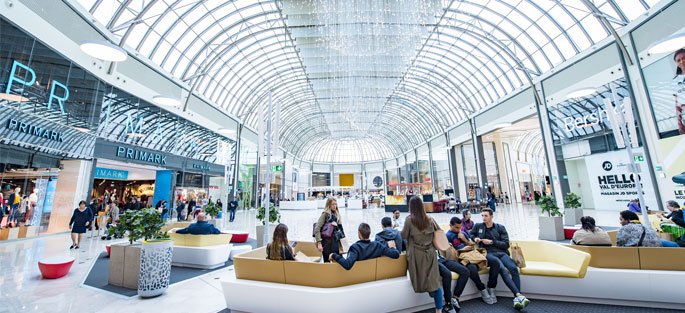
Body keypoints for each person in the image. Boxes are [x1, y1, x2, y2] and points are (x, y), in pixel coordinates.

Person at [470, 208, 530, 309]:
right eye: (482, 216)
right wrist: (475, 238)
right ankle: (518, 295)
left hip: (502, 253)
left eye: (486, 216)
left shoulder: (500, 227)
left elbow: (506, 244)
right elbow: (471, 234)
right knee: (502, 269)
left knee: (513, 268)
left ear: (491, 216)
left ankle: (517, 297)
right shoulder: (478, 226)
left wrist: (492, 242)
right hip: (488, 254)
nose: (483, 218)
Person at [401, 196, 444, 313]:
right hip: (430, 253)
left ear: (411, 207)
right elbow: (439, 232)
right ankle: (439, 310)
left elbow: (403, 235)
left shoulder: (410, 220)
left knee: (420, 277)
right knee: (434, 282)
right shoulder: (430, 219)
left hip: (417, 254)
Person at [330, 223, 399, 270]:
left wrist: (334, 255)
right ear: (369, 233)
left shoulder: (355, 248)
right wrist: (392, 247)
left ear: (359, 233)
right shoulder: (378, 245)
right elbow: (396, 254)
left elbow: (347, 265)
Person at [314, 197, 344, 262]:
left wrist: (336, 225)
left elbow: (341, 230)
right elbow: (317, 228)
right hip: (326, 243)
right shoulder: (325, 214)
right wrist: (319, 243)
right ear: (329, 205)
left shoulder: (337, 214)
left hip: (336, 243)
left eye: (335, 204)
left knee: (338, 262)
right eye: (333, 204)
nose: (334, 206)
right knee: (327, 262)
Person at [672, 48, 685, 135]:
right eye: (678, 60)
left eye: (684, 58)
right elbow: (677, 104)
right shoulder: (675, 81)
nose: (682, 61)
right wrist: (680, 123)